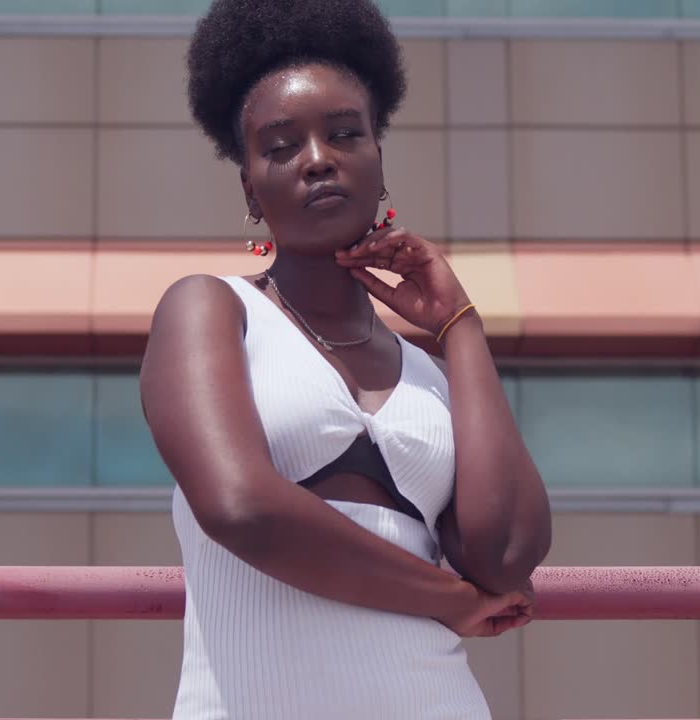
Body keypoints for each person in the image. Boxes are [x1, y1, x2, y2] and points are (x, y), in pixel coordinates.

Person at [139, 1, 552, 717]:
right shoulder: (212, 311)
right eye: (280, 146)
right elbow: (242, 509)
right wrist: (447, 597)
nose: (318, 159)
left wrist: (459, 327)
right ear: (250, 189)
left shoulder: (428, 377)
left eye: (343, 134)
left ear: (378, 160)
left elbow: (508, 555)